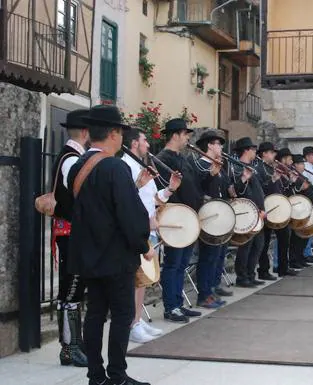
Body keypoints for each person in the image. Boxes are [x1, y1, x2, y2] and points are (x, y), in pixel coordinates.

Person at [67, 104, 153, 385]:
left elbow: (72, 208)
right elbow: (129, 213)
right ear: (114, 133)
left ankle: (96, 375)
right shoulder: (114, 167)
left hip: (88, 255)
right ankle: (117, 374)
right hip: (115, 256)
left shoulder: (78, 166)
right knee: (122, 314)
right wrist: (143, 244)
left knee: (94, 314)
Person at [121, 128, 181, 342]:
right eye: (145, 140)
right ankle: (131, 324)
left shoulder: (143, 166)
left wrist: (170, 189)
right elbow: (127, 199)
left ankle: (137, 320)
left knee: (143, 281)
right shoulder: (126, 166)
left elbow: (153, 198)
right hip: (138, 229)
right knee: (137, 280)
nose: (148, 144)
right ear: (135, 144)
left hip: (149, 229)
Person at [52, 108, 90, 367]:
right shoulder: (71, 160)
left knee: (73, 287)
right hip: (71, 234)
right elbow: (77, 197)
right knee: (72, 288)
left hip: (73, 233)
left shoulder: (73, 157)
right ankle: (70, 346)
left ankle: (74, 343)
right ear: (86, 132)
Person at [155, 118, 203, 323]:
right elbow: (165, 190)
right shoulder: (162, 159)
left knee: (182, 263)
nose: (187, 139)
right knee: (173, 264)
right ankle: (170, 307)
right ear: (175, 135)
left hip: (188, 217)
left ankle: (178, 303)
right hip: (176, 217)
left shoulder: (182, 157)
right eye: (185, 135)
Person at [191, 129, 231, 308]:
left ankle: (211, 290)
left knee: (215, 256)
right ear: (209, 145)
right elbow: (199, 189)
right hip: (207, 215)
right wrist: (211, 174)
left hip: (219, 214)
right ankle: (203, 294)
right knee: (207, 257)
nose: (221, 147)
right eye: (218, 143)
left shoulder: (217, 164)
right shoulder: (200, 164)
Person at [231, 137, 266, 287]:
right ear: (246, 150)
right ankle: (242, 276)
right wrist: (244, 178)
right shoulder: (237, 168)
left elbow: (258, 190)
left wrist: (262, 208)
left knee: (258, 245)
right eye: (253, 149)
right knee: (246, 246)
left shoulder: (253, 167)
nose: (255, 152)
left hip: (258, 212)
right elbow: (237, 190)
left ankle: (251, 274)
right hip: (247, 212)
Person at [254, 142, 280, 281]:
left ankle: (264, 270)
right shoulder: (258, 168)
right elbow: (260, 189)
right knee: (261, 244)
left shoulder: (269, 168)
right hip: (262, 208)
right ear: (264, 153)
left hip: (271, 208)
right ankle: (262, 270)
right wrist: (273, 180)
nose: (274, 155)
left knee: (266, 241)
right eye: (271, 152)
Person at [290, 154, 313, 265]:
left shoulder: (302, 177)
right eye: (301, 164)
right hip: (301, 211)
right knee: (297, 237)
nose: (303, 166)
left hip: (309, 210)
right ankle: (294, 259)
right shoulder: (295, 177)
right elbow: (297, 192)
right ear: (295, 165)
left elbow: (309, 191)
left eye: (303, 163)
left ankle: (301, 257)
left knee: (304, 237)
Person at [273, 148, 299, 277]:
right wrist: (289, 182)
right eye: (289, 159)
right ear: (283, 159)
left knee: (285, 240)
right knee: (281, 239)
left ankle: (284, 266)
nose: (291, 161)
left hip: (285, 208)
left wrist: (292, 182)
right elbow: (281, 190)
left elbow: (287, 190)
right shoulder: (279, 171)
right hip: (279, 209)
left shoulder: (286, 172)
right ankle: (279, 266)